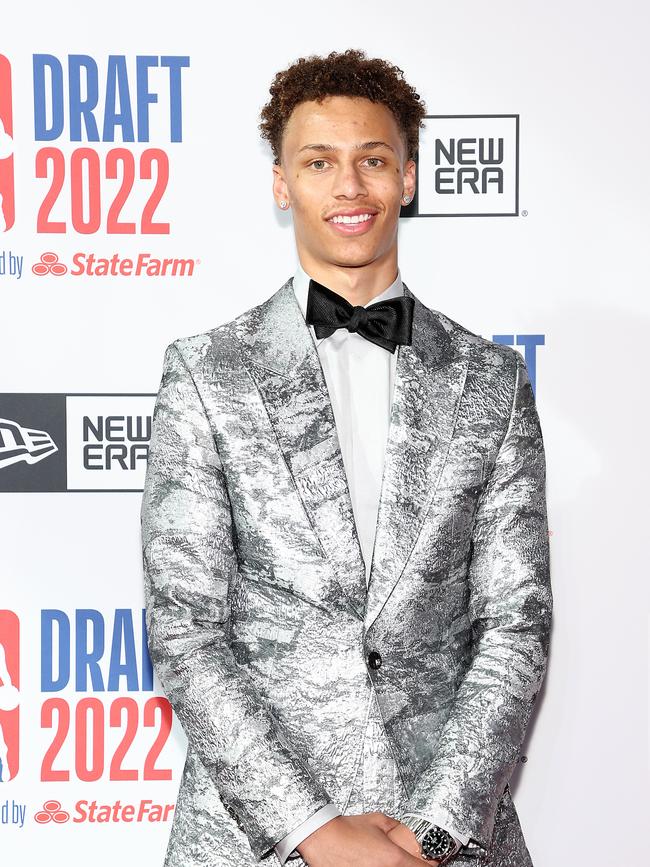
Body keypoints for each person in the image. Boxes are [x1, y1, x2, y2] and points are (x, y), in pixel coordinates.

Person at [140, 48, 552, 867]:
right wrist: (315, 831)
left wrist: (431, 827)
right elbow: (186, 628)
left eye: (372, 160)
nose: (349, 187)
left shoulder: (493, 381)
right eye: (319, 162)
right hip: (255, 839)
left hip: (448, 837)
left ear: (407, 177)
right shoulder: (206, 373)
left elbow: (515, 620)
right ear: (281, 184)